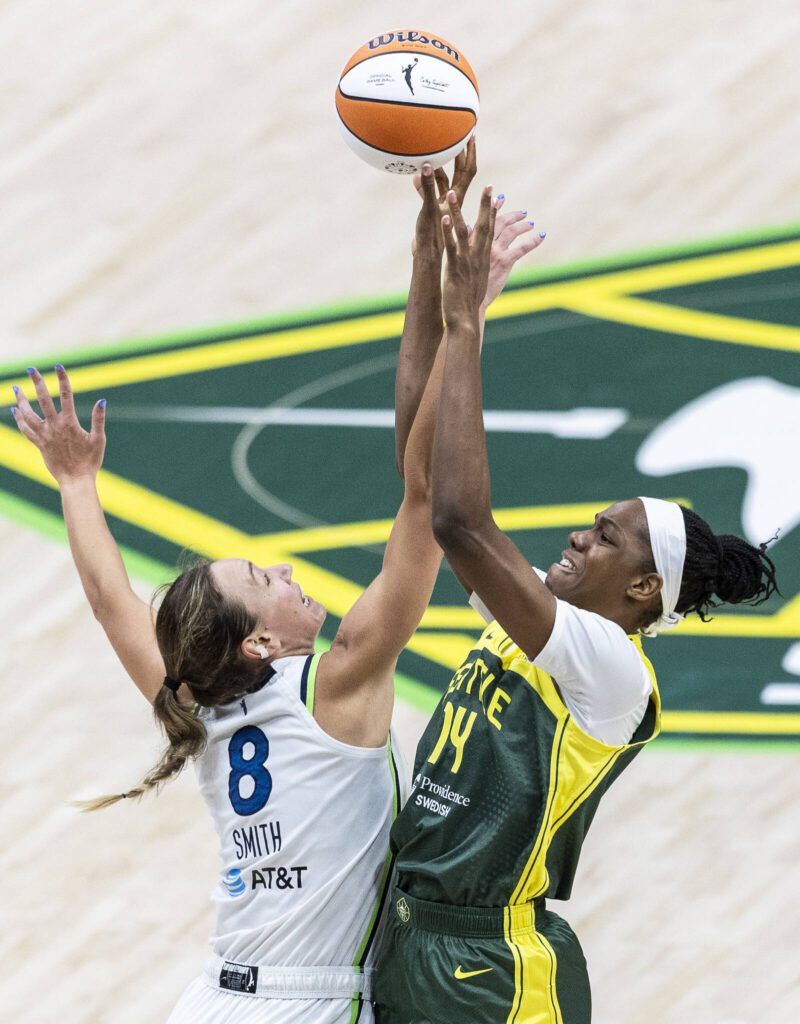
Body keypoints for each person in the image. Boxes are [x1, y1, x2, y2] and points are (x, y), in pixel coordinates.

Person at [10, 143, 545, 1023]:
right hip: (305, 1008)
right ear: (261, 642)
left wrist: (75, 485)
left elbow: (114, 604)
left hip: (215, 1000)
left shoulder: (200, 701)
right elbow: (424, 492)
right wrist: (464, 321)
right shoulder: (329, 684)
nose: (288, 570)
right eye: (265, 578)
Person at [373, 188, 779, 1024]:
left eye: (604, 537)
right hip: (413, 940)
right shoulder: (536, 628)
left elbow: (460, 518)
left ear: (643, 589)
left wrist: (471, 329)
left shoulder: (609, 668)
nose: (577, 536)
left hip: (490, 969)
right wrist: (431, 275)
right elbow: (423, 486)